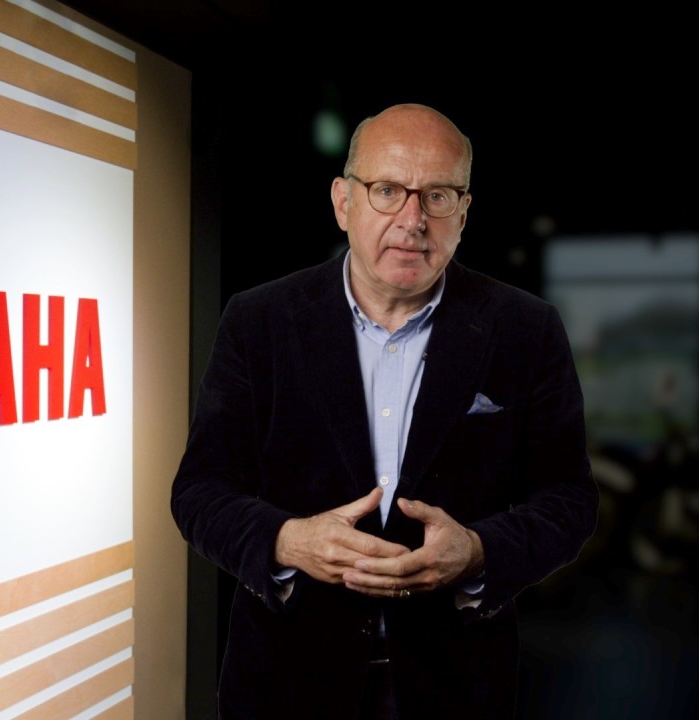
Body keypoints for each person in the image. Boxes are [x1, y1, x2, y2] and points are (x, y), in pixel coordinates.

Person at [171, 104, 598, 719]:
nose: (412, 220)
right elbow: (199, 491)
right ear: (344, 202)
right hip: (287, 683)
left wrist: (478, 551)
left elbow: (569, 500)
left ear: (464, 212)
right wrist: (288, 542)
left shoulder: (524, 329)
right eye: (388, 190)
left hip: (458, 686)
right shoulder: (259, 320)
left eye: (439, 196)